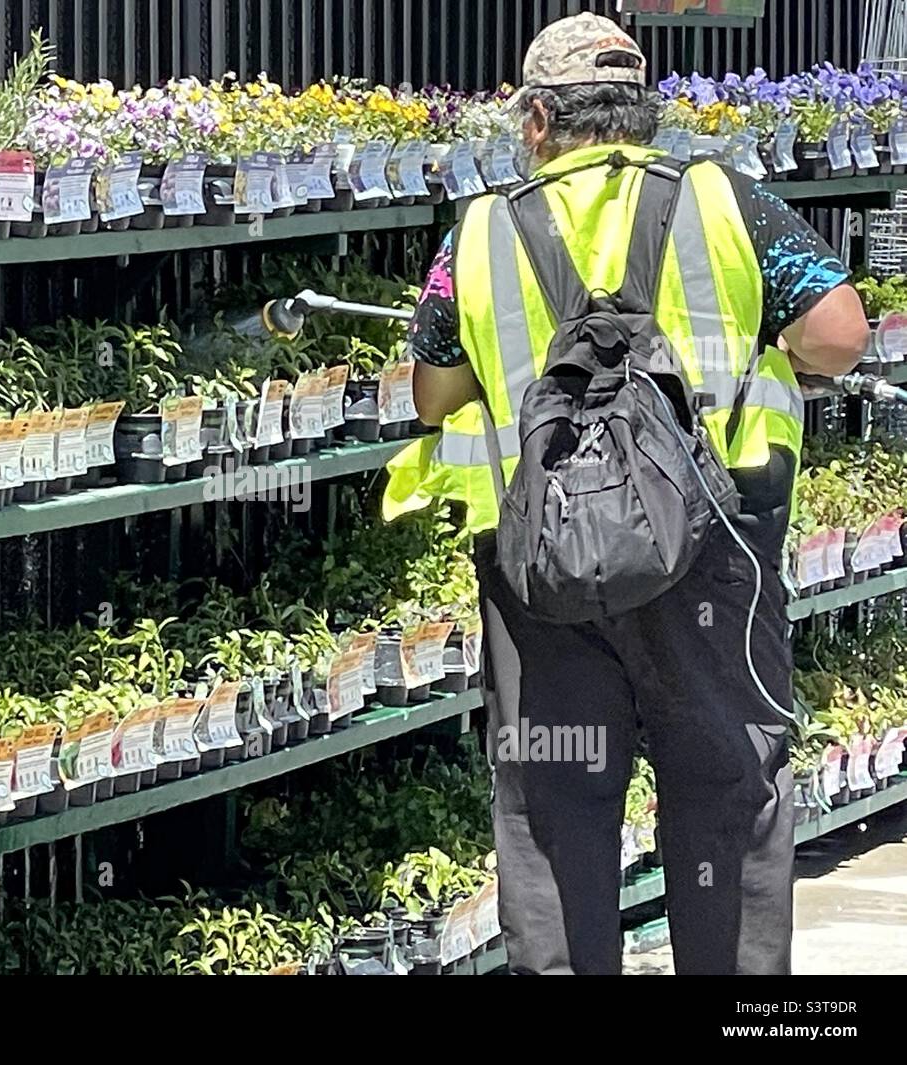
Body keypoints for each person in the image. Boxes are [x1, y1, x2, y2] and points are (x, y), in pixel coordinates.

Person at [385, 12, 869, 975]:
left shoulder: (481, 231)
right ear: (644, 115)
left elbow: (434, 392)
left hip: (543, 573)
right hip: (710, 555)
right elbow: (841, 332)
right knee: (725, 794)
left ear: (536, 122)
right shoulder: (726, 200)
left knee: (556, 805)